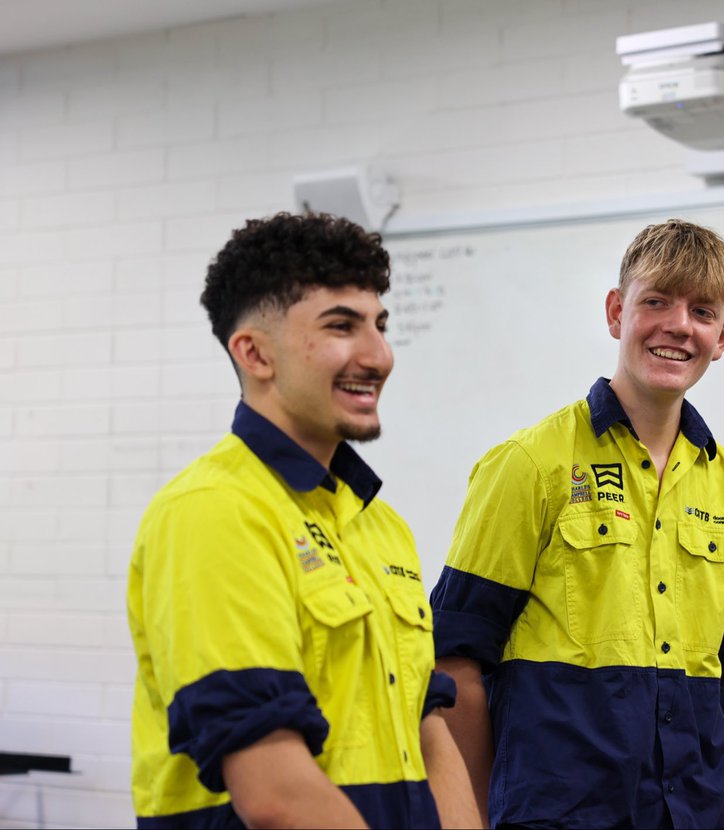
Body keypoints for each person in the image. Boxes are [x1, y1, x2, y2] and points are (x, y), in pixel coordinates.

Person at [126, 212, 480, 829]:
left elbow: (428, 732)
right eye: (341, 326)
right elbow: (274, 793)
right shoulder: (214, 511)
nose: (379, 356)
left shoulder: (381, 525)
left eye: (379, 325)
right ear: (255, 353)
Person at [430, 219, 724, 828]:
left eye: (702, 311)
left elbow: (723, 674)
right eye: (655, 301)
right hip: (556, 813)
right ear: (615, 312)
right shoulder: (530, 463)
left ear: (723, 335)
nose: (678, 326)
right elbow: (453, 663)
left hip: (692, 812)